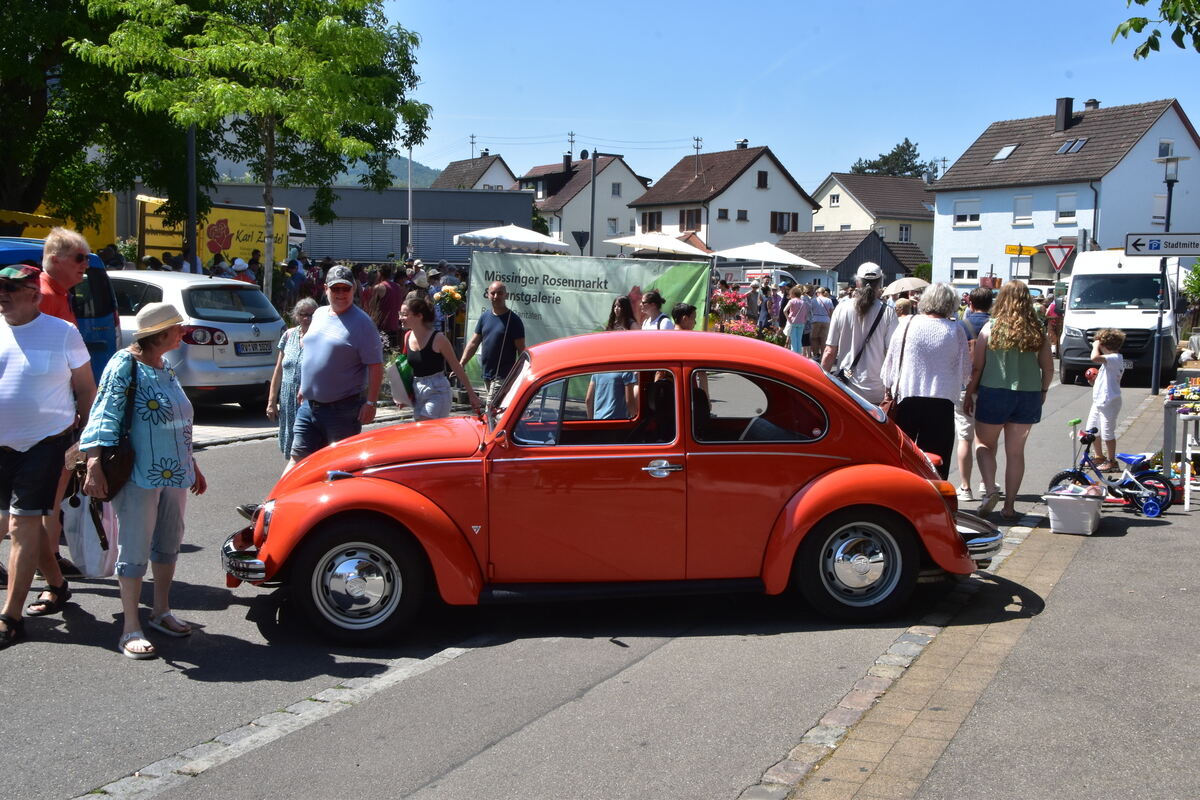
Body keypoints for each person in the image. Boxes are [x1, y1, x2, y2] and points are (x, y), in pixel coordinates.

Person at [79, 302, 205, 658]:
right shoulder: (124, 364)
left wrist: (191, 462)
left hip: (174, 472)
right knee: (134, 547)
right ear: (160, 334)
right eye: (177, 328)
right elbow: (103, 414)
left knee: (168, 540)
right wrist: (93, 463)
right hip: (138, 473)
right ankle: (130, 627)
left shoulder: (165, 366)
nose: (183, 332)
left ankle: (161, 611)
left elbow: (178, 420)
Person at [0, 265, 95, 647]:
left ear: (34, 294)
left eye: (10, 288)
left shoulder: (63, 333)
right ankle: (57, 583)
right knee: (26, 526)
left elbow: (87, 389)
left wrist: (88, 441)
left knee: (21, 526)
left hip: (45, 445)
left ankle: (11, 616)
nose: (2, 294)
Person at [963, 280, 1053, 520]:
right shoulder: (1037, 331)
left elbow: (978, 367)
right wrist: (1043, 391)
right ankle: (1010, 506)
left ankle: (990, 488)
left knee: (984, 445)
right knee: (1016, 453)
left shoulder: (990, 329)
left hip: (994, 392)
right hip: (1028, 394)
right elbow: (1048, 368)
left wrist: (969, 394)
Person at [288, 266, 384, 468]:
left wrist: (371, 403)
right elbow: (312, 350)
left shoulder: (362, 324)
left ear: (354, 289)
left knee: (337, 466)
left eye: (345, 289)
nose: (341, 294)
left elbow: (375, 365)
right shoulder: (320, 314)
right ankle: (277, 500)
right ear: (326, 289)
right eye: (335, 289)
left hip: (342, 409)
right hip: (309, 406)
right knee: (298, 461)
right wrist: (305, 385)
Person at [38, 228, 92, 582]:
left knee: (54, 491)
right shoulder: (42, 297)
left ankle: (51, 558)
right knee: (39, 496)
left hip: (57, 413)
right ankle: (48, 564)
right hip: (44, 418)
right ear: (55, 258)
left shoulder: (57, 294)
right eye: (79, 259)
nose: (85, 267)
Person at [880, 283, 971, 480]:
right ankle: (936, 501)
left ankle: (903, 496)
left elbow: (890, 364)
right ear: (951, 303)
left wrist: (889, 388)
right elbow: (965, 371)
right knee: (936, 460)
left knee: (904, 457)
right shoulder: (956, 330)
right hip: (942, 401)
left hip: (908, 398)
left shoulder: (907, 324)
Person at [821, 262, 898, 405]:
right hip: (876, 390)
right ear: (880, 283)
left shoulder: (841, 309)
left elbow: (830, 351)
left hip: (846, 388)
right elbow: (892, 354)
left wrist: (821, 382)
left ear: (857, 283)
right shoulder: (888, 312)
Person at [399, 295, 482, 420]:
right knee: (422, 434)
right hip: (417, 391)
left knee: (424, 427)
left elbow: (456, 366)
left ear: (419, 316)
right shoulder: (407, 336)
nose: (400, 318)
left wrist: (472, 394)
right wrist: (402, 394)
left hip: (437, 391)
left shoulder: (438, 339)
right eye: (400, 314)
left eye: (404, 314)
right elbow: (406, 368)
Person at [953, 287, 994, 501]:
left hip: (964, 386)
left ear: (970, 303)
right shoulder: (995, 326)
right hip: (989, 386)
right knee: (987, 440)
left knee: (965, 438)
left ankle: (965, 487)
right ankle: (986, 483)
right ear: (991, 304)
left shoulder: (961, 325)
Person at [267, 298, 317, 458]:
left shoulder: (320, 337)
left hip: (309, 399)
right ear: (296, 315)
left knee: (307, 446)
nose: (307, 318)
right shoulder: (288, 335)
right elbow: (278, 370)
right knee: (291, 446)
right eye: (303, 314)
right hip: (288, 398)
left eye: (311, 314)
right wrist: (271, 402)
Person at [461, 282, 525, 406]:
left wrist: (517, 376)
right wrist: (461, 363)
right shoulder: (484, 317)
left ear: (506, 295)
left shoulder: (514, 320)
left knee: (490, 408)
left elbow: (521, 351)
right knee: (496, 412)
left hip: (503, 376)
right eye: (493, 293)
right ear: (488, 295)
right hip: (487, 373)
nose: (496, 296)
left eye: (500, 293)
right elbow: (474, 343)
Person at [1087, 328, 1127, 471]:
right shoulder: (1110, 361)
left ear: (1105, 345)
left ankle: (1112, 461)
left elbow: (1094, 358)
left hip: (1109, 401)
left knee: (1107, 432)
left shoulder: (1115, 358)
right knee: (1092, 429)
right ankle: (1099, 456)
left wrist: (1095, 345)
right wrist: (1094, 381)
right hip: (1099, 400)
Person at [367, 263, 403, 348]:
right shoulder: (398, 287)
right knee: (393, 354)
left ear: (380, 274)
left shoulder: (379, 287)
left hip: (382, 326)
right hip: (395, 325)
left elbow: (371, 307)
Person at [784, 285, 811, 355]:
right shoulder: (803, 302)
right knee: (799, 340)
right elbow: (806, 313)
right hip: (801, 322)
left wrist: (788, 318)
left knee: (793, 340)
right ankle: (799, 355)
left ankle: (794, 355)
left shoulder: (791, 301)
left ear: (793, 293)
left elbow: (784, 310)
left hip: (793, 322)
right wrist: (804, 320)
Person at [810, 286, 833, 355]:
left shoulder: (813, 300)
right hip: (826, 320)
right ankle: (823, 354)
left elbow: (810, 310)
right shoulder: (829, 300)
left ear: (818, 293)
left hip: (815, 319)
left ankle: (816, 354)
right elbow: (831, 311)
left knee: (814, 338)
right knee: (824, 339)